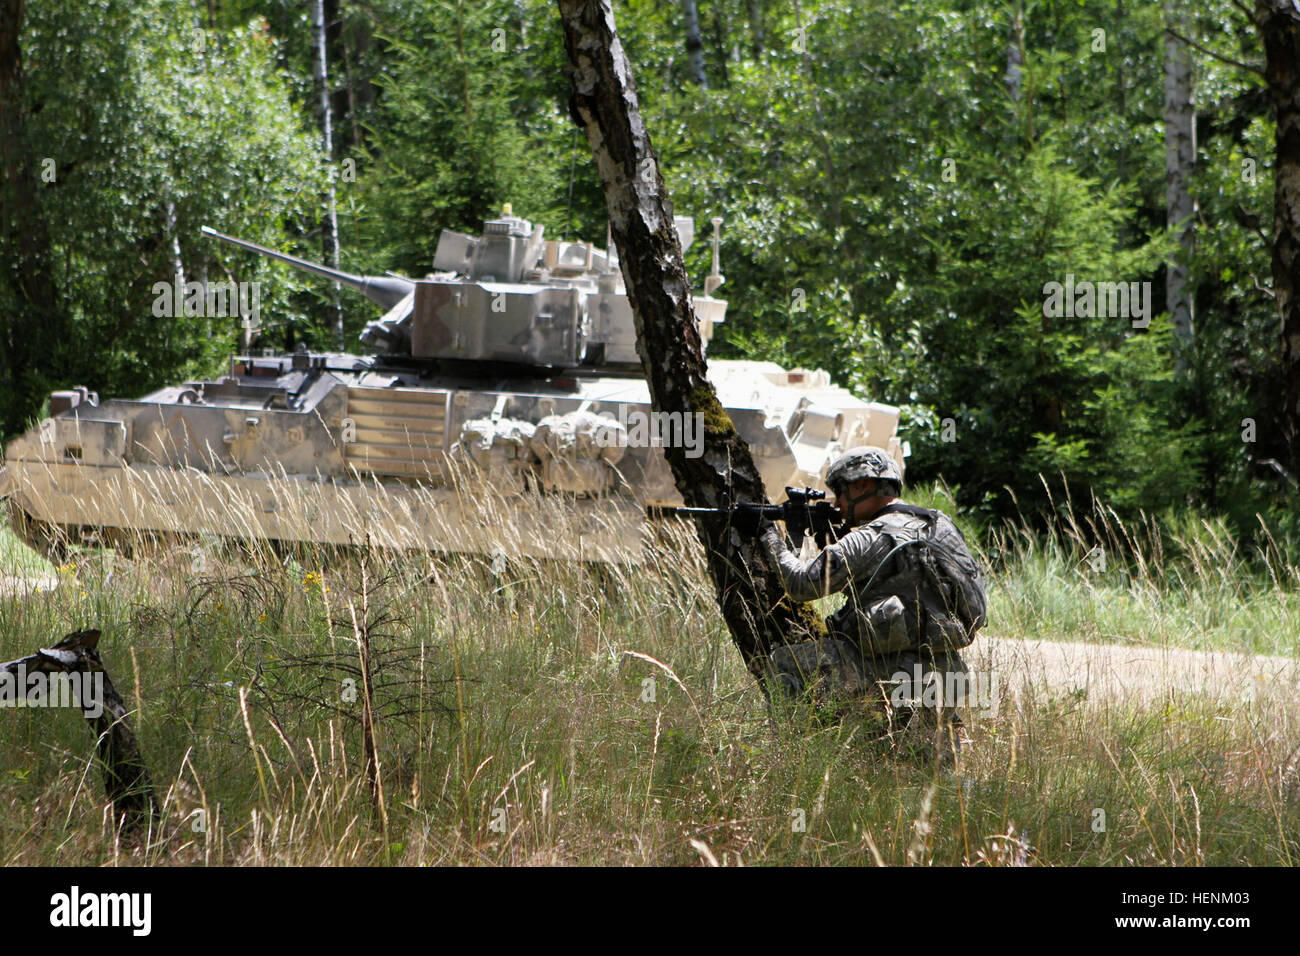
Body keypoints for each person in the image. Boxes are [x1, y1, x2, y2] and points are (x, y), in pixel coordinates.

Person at [759, 446, 987, 763]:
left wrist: (769, 535)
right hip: (947, 668)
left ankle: (798, 759)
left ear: (863, 485)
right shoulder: (940, 525)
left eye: (840, 490)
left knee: (784, 663)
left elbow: (800, 584)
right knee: (933, 765)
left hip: (889, 671)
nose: (837, 502)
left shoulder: (870, 537)